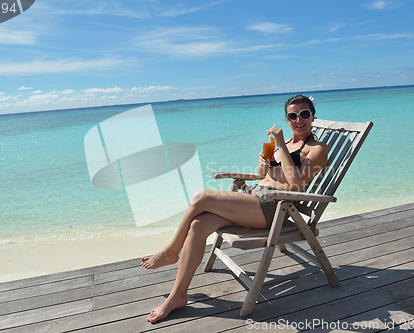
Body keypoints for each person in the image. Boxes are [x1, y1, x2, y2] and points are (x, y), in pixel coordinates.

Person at [140, 95, 328, 323]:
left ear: (313, 116)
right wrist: (264, 162)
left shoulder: (317, 149)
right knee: (198, 225)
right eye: (292, 115)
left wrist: (280, 148)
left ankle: (171, 251)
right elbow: (262, 175)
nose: (299, 120)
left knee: (201, 197)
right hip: (254, 197)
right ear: (287, 119)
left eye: (304, 114)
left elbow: (296, 185)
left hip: (275, 208)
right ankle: (177, 295)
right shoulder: (281, 145)